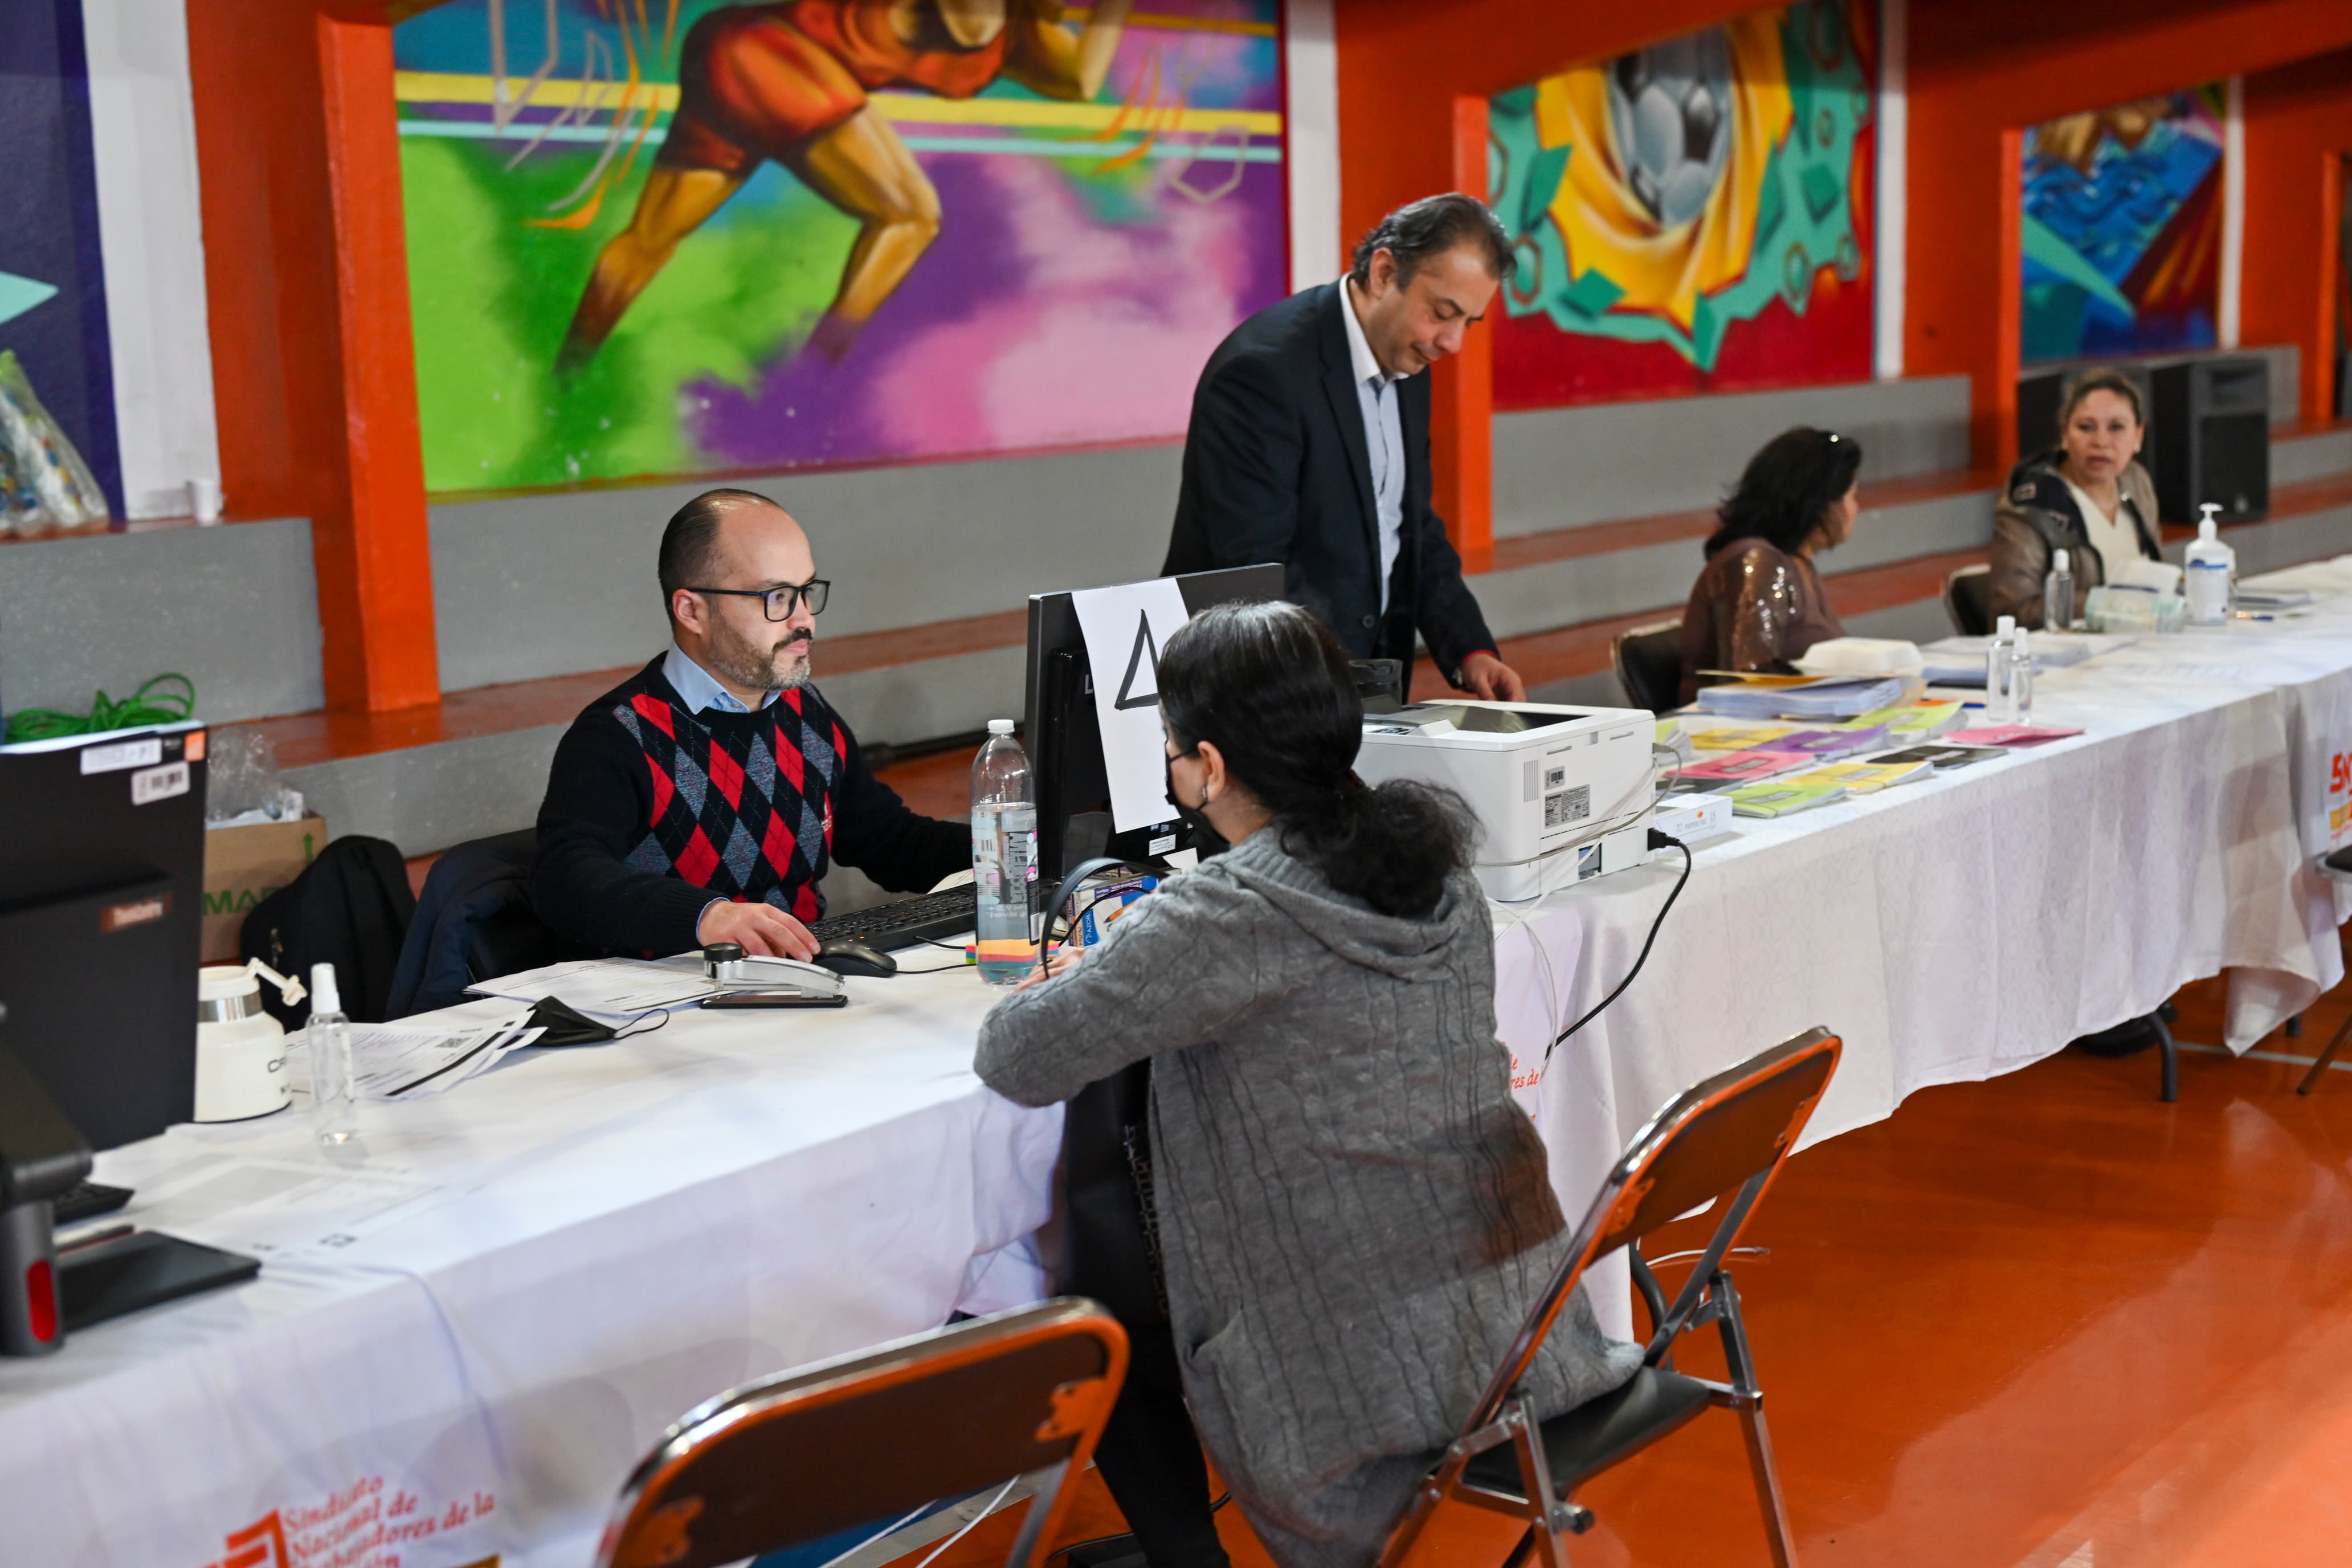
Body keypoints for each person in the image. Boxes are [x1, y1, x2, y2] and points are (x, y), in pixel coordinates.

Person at [975, 601, 1639, 1568]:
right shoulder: (1438, 872)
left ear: (1208, 766)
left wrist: (1104, 961)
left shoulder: (1222, 914)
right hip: (1521, 1331)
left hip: (1352, 1379)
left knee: (1099, 1299)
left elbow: (1016, 1055)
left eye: (1170, 748)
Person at [558, 0, 1133, 373]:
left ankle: (570, 371)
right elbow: (972, 24)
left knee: (647, 241)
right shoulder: (984, 17)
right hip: (767, 53)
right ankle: (815, 379)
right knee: (910, 215)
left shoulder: (1018, 36)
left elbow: (1083, 80)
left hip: (742, 71)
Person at [531, 488, 966, 958]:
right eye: (776, 597)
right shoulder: (618, 735)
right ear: (692, 611)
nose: (804, 620)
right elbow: (562, 878)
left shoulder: (805, 709)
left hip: (806, 980)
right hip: (680, 992)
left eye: (806, 592)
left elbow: (889, 841)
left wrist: (1010, 850)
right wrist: (708, 917)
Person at [1163, 194, 1528, 702]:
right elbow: (1254, 575)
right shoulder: (1263, 373)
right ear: (1384, 273)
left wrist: (1471, 649)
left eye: (1468, 322)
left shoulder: (1408, 360)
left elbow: (1409, 525)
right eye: (1442, 313)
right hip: (1265, 693)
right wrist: (1335, 697)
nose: (1453, 342)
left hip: (1360, 684)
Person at [1675, 427, 1863, 704]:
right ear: (1821, 504)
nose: (1856, 509)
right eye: (1852, 496)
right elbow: (1749, 679)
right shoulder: (1757, 563)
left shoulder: (1798, 565)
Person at [1988, 370, 2162, 627]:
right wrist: (2103, 605)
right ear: (2064, 434)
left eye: (2116, 428)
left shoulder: (2136, 481)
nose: (2101, 442)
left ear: (2138, 436)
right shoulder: (2031, 504)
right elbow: (2012, 611)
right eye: (2086, 427)